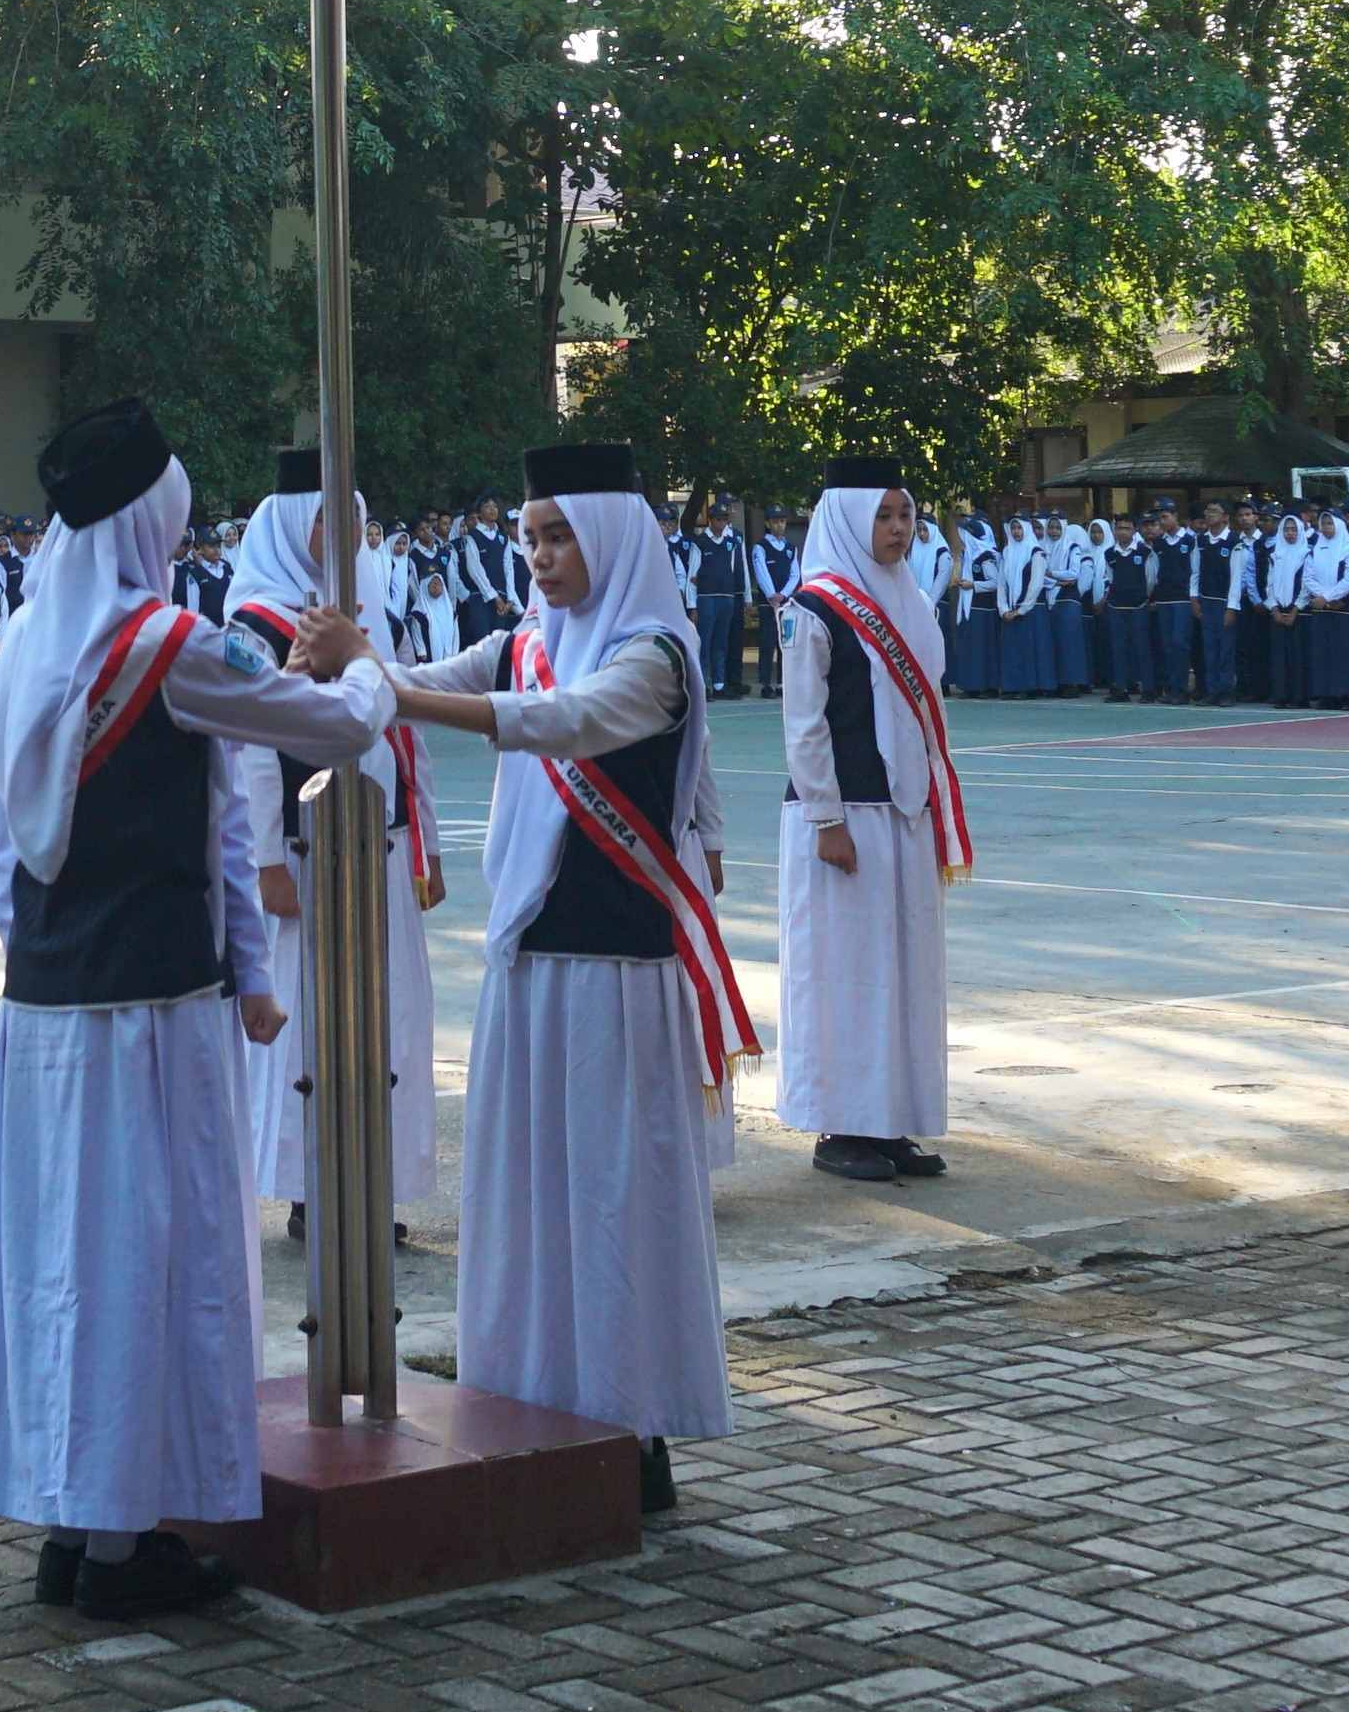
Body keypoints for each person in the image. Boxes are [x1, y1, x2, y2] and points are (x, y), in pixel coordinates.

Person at [0, 401, 398, 1621]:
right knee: (144, 1265)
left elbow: (4, 856)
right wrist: (354, 655)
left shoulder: (25, 641)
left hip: (48, 1008)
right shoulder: (172, 644)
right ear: (152, 516)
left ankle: (77, 1522)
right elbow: (337, 727)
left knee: (65, 1265)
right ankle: (118, 1550)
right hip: (147, 1009)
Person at [373, 441, 749, 1517]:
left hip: (616, 981)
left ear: (612, 532)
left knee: (613, 1201)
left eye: (557, 532)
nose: (538, 553)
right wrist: (363, 673)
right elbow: (436, 681)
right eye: (529, 533)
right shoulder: (529, 639)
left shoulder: (655, 655)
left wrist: (402, 692)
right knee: (531, 1196)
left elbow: (565, 720)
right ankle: (531, 1403)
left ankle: (629, 1425)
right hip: (528, 967)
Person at [218, 453, 439, 1234]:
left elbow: (402, 729)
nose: (341, 533)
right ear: (287, 525)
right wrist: (267, 860)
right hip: (305, 853)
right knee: (313, 1021)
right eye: (324, 518)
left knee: (386, 1019)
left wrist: (427, 840)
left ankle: (371, 1181)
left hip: (377, 842)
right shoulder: (255, 622)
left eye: (351, 517)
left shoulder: (364, 609)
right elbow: (248, 748)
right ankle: (316, 1189)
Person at [775, 459, 966, 1186]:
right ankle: (839, 1124)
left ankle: (889, 1120)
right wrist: (826, 817)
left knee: (903, 971)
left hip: (904, 811)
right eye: (882, 515)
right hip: (843, 816)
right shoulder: (814, 606)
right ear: (850, 520)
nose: (896, 528)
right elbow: (802, 724)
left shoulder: (910, 597)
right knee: (846, 974)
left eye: (903, 514)